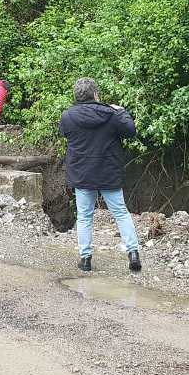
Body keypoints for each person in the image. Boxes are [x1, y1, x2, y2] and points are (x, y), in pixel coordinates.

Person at [59, 78, 141, 273]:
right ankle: (133, 253)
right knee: (121, 213)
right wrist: (121, 111)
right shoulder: (112, 114)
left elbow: (66, 135)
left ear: (76, 95)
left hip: (82, 174)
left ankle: (85, 259)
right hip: (108, 172)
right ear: (96, 94)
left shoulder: (67, 116)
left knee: (85, 216)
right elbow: (131, 131)